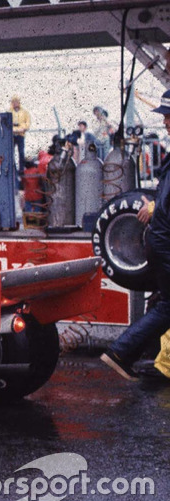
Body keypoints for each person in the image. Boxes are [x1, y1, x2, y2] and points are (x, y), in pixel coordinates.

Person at [101, 90, 170, 381]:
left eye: (168, 117)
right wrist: (156, 206)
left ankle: (127, 353)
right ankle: (121, 352)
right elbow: (166, 203)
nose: (165, 122)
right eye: (166, 117)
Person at [9, 96, 30, 175]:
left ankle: (21, 169)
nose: (15, 103)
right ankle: (12, 169)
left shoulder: (24, 112)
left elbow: (27, 123)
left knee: (21, 152)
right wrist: (14, 129)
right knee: (11, 152)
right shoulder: (9, 112)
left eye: (16, 101)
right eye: (13, 102)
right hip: (12, 136)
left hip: (21, 135)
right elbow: (7, 123)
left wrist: (21, 128)